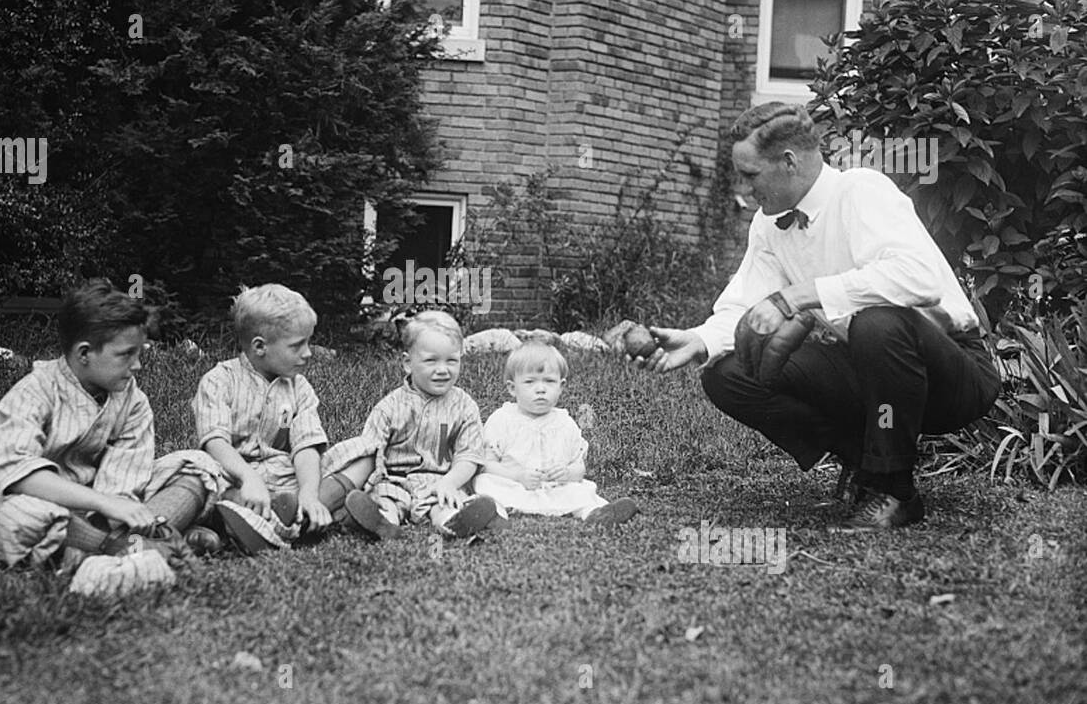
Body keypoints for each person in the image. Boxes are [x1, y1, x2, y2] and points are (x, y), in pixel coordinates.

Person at [636, 103, 1000, 528]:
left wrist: (797, 296)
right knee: (729, 375)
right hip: (866, 371)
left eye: (750, 174)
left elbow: (919, 280)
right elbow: (743, 304)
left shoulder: (862, 190)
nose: (744, 187)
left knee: (877, 322)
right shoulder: (768, 224)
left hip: (949, 372)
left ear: (789, 162)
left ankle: (895, 491)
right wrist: (698, 340)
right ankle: (863, 461)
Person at [0, 279, 222, 571]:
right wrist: (103, 503)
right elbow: (16, 475)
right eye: (126, 354)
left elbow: (125, 486)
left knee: (198, 465)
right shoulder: (32, 393)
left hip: (112, 510)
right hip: (48, 504)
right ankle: (136, 544)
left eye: (139, 353)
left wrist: (113, 509)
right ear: (84, 353)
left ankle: (109, 546)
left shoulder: (132, 400)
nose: (137, 365)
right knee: (8, 516)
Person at [188, 284, 374, 555]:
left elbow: (305, 446)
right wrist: (248, 478)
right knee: (197, 472)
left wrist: (309, 492)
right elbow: (214, 441)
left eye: (308, 343)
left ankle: (291, 514)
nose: (308, 353)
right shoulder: (219, 381)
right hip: (235, 477)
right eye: (297, 345)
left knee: (366, 451)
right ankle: (314, 517)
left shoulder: (299, 387)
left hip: (286, 479)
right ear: (260, 346)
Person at [342, 310, 500, 540]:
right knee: (386, 499)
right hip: (396, 480)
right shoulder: (390, 407)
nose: (443, 369)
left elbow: (469, 455)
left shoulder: (464, 406)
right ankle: (383, 522)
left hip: (439, 480)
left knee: (443, 503)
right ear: (408, 363)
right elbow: (370, 453)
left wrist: (449, 483)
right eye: (431, 361)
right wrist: (373, 484)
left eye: (452, 360)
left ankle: (453, 521)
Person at [474, 341, 639, 525]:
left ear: (561, 386)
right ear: (512, 388)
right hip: (514, 484)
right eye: (530, 382)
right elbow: (487, 464)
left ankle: (595, 514)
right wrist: (517, 476)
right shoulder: (502, 419)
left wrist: (567, 473)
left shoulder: (565, 423)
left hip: (556, 488)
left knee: (579, 491)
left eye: (549, 381)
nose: (541, 389)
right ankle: (494, 516)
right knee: (485, 483)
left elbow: (579, 469)